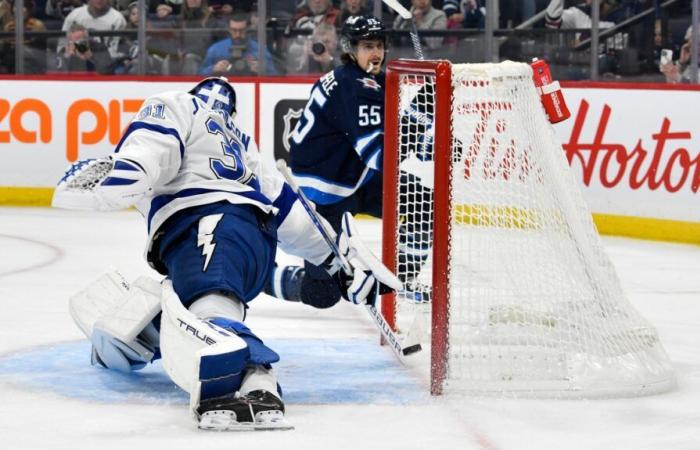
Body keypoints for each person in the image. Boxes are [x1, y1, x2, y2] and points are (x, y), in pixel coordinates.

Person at [52, 76, 400, 430]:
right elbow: (294, 217)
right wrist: (337, 265)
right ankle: (156, 333)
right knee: (194, 305)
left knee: (210, 307)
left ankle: (254, 377)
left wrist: (107, 182)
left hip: (208, 223)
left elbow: (148, 153)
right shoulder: (243, 143)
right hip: (253, 243)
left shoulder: (176, 103)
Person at [267, 14, 432, 309]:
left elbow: (386, 137)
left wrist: (425, 142)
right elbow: (380, 155)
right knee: (322, 295)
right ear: (350, 48)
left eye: (380, 45)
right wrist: (420, 125)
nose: (377, 53)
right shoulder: (355, 86)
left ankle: (403, 280)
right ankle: (259, 276)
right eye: (368, 46)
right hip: (322, 196)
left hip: (353, 178)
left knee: (421, 201)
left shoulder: (366, 79)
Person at [199, 13, 278, 76]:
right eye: (234, 30)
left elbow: (274, 76)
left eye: (241, 30)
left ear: (248, 29)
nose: (238, 35)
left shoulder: (260, 50)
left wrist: (261, 70)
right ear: (229, 29)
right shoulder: (216, 49)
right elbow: (199, 74)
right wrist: (214, 69)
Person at [58, 0, 127, 59]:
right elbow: (62, 46)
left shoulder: (118, 19)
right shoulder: (74, 15)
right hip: (74, 63)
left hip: (105, 65)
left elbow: (115, 52)